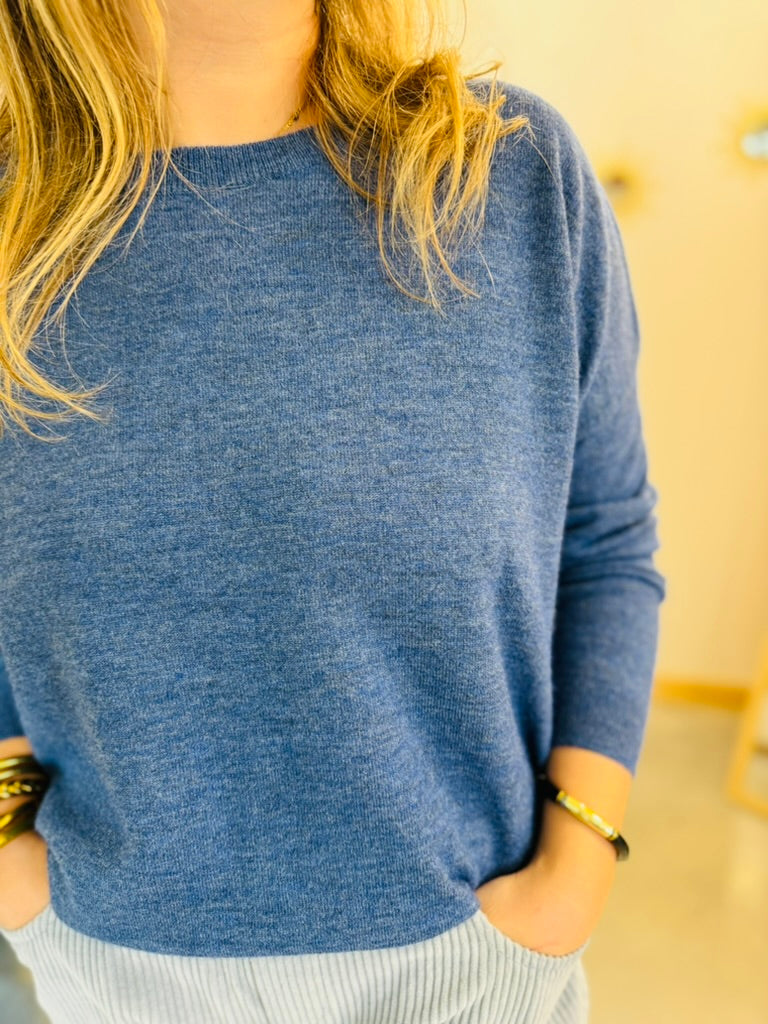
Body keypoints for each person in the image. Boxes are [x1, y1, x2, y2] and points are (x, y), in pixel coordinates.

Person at [0, 1, 666, 1021]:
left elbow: (605, 538)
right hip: (108, 971)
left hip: (469, 970)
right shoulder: (14, 225)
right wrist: (13, 856)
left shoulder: (515, 174)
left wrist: (573, 869)